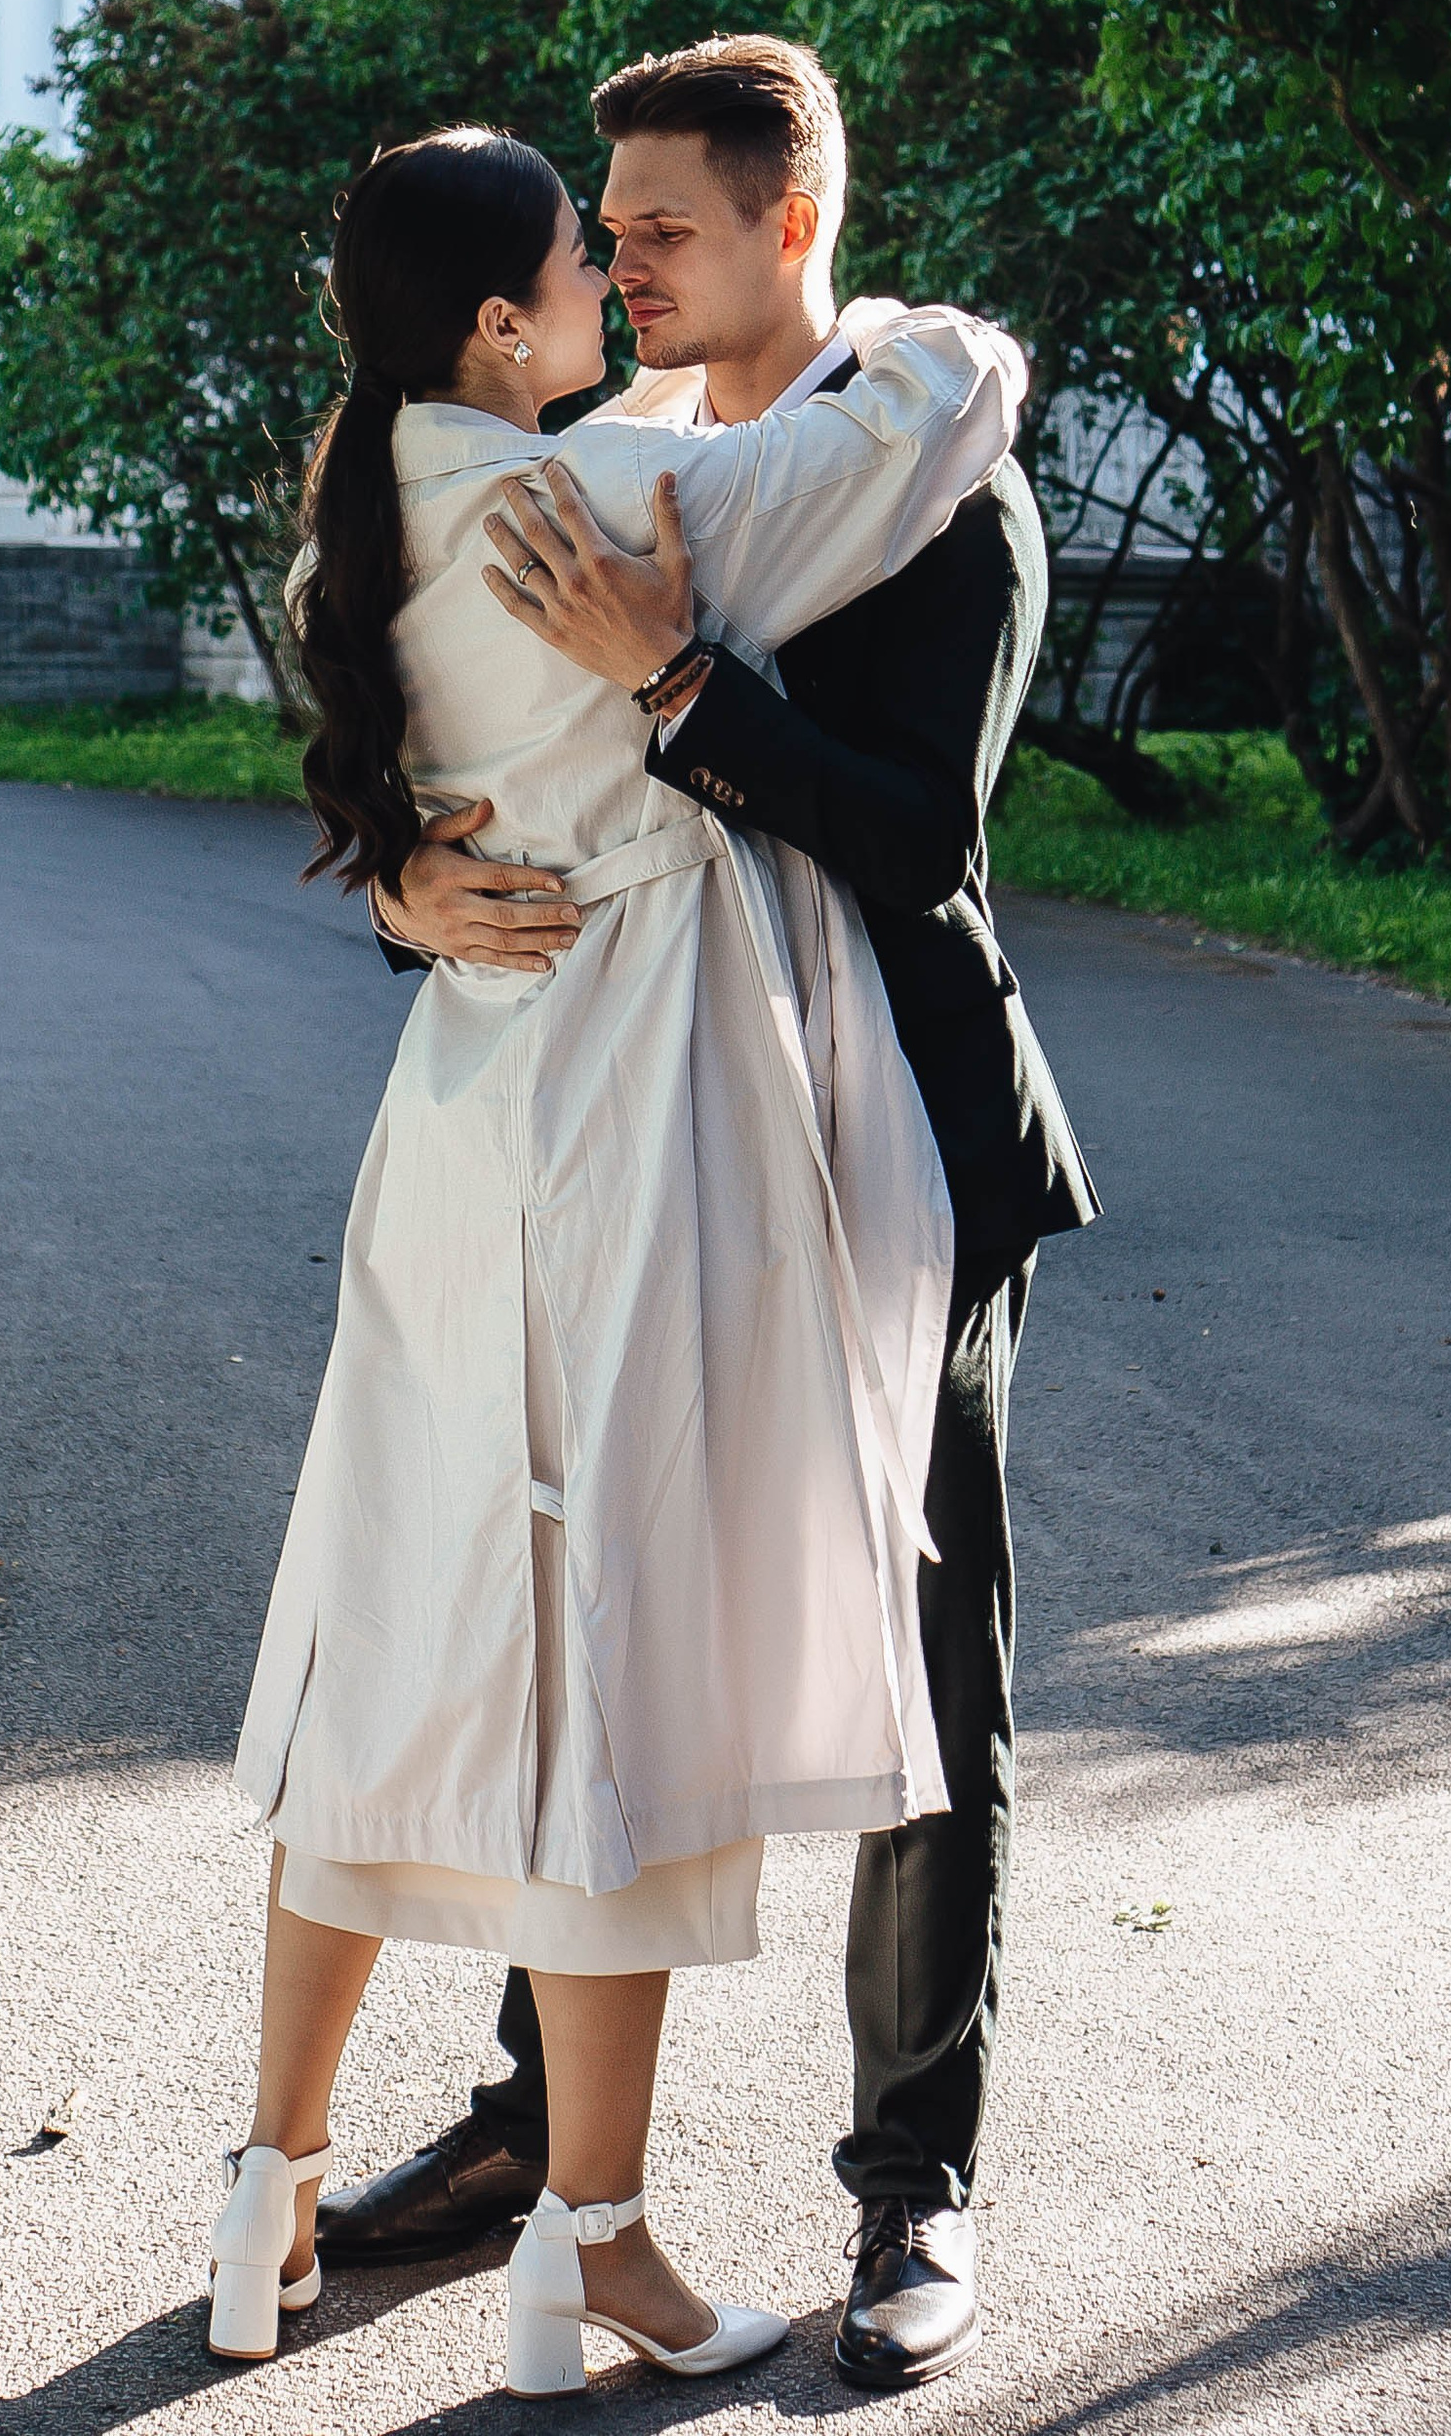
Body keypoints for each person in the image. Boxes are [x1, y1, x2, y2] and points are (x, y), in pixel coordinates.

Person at [213, 119, 1027, 2390]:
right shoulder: (615, 502)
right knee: (616, 1655)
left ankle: (276, 2198)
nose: (621, 270)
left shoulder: (385, 488)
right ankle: (589, 2234)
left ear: (780, 221)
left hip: (551, 1107)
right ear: (508, 310)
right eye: (596, 240)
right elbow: (957, 376)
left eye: (653, 226)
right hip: (634, 1100)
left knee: (433, 1628)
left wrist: (430, 857)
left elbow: (909, 828)